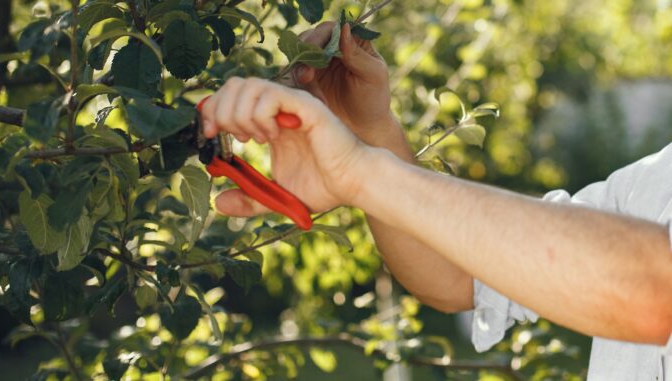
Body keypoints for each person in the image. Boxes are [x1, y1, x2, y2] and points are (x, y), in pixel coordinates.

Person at [200, 22, 672, 380]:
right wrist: (370, 135)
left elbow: (654, 293)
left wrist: (361, 172)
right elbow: (463, 274)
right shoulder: (654, 180)